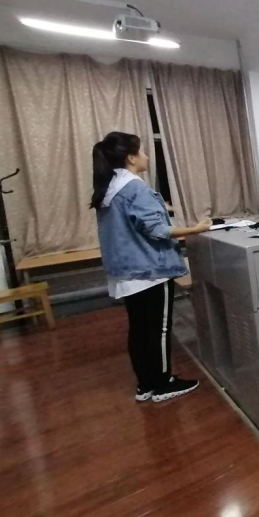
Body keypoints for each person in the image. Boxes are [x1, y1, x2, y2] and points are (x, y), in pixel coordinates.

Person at [91, 132, 210, 403]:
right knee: (159, 329)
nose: (146, 156)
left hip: (127, 272)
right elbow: (157, 230)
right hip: (150, 271)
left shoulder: (109, 189)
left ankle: (145, 384)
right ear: (131, 158)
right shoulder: (135, 187)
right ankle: (163, 383)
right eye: (142, 151)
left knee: (139, 329)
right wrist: (196, 229)